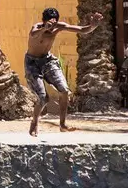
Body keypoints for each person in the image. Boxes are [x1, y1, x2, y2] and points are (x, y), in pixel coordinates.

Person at [23, 7, 101, 138]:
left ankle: (62, 124)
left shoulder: (59, 27)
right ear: (44, 21)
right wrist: (44, 28)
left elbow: (82, 30)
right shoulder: (37, 27)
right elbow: (33, 34)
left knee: (64, 90)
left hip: (47, 61)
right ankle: (35, 122)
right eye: (49, 23)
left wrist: (93, 26)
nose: (52, 26)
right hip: (32, 63)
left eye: (54, 23)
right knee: (43, 98)